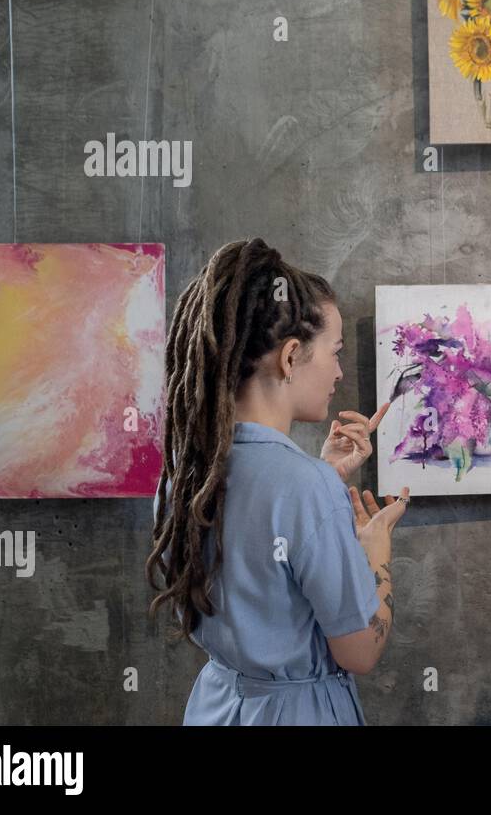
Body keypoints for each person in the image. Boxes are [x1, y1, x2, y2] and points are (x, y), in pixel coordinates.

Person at [145, 239, 408, 725]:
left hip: (216, 708)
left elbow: (259, 539)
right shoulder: (305, 489)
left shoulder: (185, 475)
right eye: (335, 352)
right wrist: (376, 553)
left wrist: (323, 477)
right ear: (290, 357)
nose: (339, 371)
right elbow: (360, 652)